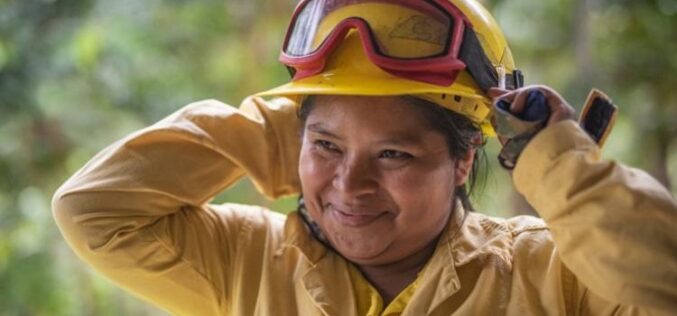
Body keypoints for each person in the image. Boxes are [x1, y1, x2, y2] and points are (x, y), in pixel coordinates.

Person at [52, 0, 677, 315]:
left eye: (394, 153)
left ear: (464, 160)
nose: (350, 184)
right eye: (327, 146)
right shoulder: (247, 263)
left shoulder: (554, 275)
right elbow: (94, 212)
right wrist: (281, 137)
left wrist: (558, 162)